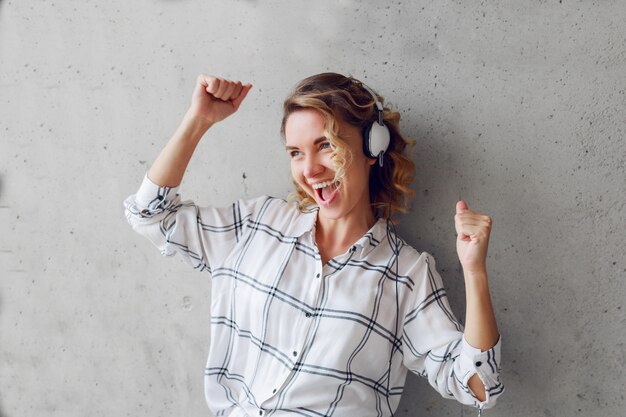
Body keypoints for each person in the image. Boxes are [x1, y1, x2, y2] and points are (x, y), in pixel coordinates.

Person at [124, 73, 503, 417]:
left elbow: (478, 387)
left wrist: (474, 271)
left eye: (326, 145)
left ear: (374, 147)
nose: (310, 170)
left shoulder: (406, 274)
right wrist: (199, 120)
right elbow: (149, 215)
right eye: (296, 153)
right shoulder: (257, 225)